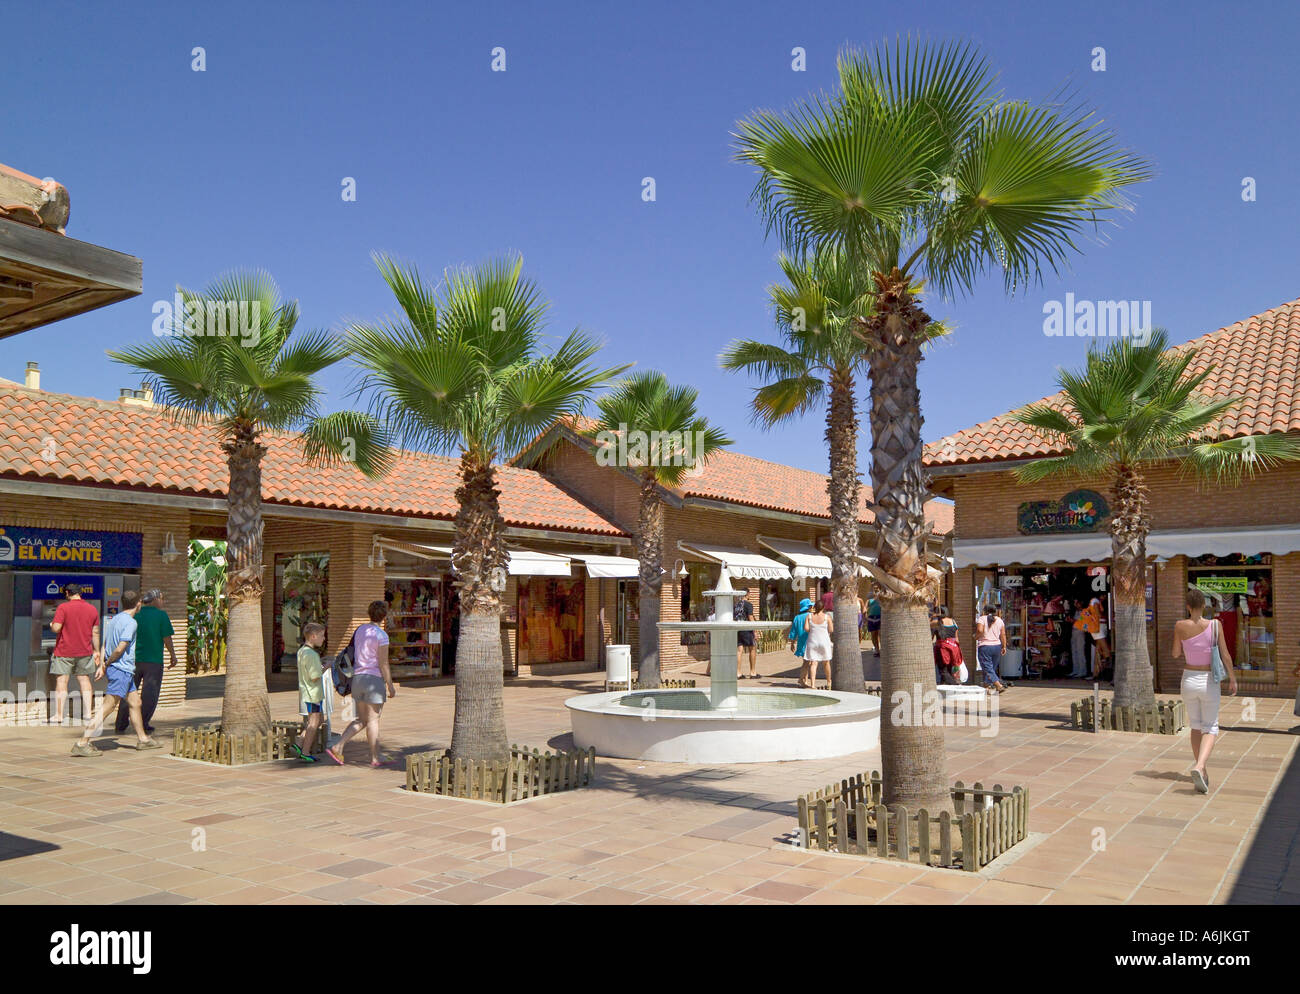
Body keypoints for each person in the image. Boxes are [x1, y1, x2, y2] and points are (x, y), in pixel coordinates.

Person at [70, 590, 160, 754]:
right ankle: (82, 743)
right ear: (138, 603)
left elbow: (105, 644)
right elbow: (120, 648)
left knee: (135, 703)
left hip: (121, 670)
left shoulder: (114, 620)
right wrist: (107, 662)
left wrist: (103, 666)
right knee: (108, 707)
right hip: (121, 670)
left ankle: (143, 739)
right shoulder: (131, 623)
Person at [1174, 587, 1237, 794]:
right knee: (1210, 727)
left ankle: (1202, 769)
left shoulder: (1179, 625)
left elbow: (1175, 654)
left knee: (1195, 726)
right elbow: (1226, 655)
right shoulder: (1215, 625)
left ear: (1188, 606)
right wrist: (1233, 679)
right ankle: (1199, 766)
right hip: (1209, 680)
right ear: (1204, 606)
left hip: (1188, 679)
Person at [327, 600, 396, 767]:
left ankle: (338, 745)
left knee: (361, 719)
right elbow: (383, 663)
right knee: (373, 720)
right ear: (384, 616)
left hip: (358, 678)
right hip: (373, 680)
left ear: (369, 613)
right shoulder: (382, 635)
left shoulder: (360, 630)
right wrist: (390, 685)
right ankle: (375, 757)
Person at [115, 589, 177, 735]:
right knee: (150, 694)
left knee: (128, 692)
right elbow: (167, 638)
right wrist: (173, 655)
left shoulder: (135, 614)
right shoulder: (161, 615)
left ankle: (121, 724)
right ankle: (142, 723)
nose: (163, 601)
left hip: (132, 661)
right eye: (162, 598)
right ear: (155, 599)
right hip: (153, 661)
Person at [49, 583, 101, 725]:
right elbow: (95, 632)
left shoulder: (63, 607)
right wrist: (96, 651)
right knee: (84, 681)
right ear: (80, 593)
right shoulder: (92, 609)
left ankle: (59, 715)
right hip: (85, 651)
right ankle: (88, 714)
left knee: (62, 681)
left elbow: (56, 628)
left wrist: (51, 625)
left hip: (64, 651)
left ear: (67, 593)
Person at [292, 622, 328, 762]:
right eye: (321, 636)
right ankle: (305, 752)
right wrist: (326, 667)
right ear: (313, 636)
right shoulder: (312, 654)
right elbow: (315, 676)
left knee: (320, 720)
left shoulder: (302, 651)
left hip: (307, 692)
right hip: (313, 694)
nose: (323, 639)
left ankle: (299, 743)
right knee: (314, 722)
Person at [975, 606, 1007, 694]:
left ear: (985, 611)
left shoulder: (982, 619)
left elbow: (979, 630)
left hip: (985, 646)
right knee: (991, 668)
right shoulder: (1000, 620)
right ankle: (987, 687)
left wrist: (975, 637)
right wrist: (1004, 646)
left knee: (987, 667)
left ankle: (998, 685)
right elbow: (1003, 634)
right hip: (997, 646)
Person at [804, 600, 834, 689]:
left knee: (813, 663)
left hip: (812, 641)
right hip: (824, 641)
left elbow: (806, 628)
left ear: (815, 607)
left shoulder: (809, 616)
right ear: (823, 607)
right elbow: (831, 630)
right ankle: (829, 682)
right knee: (826, 662)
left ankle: (813, 684)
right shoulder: (827, 617)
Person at [933, 615, 966, 684]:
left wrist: (933, 617)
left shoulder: (936, 622)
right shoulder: (953, 622)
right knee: (949, 669)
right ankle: (944, 686)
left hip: (942, 649)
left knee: (943, 670)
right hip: (954, 649)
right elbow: (957, 639)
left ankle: (954, 684)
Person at [788, 597, 813, 687]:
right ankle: (802, 679)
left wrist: (792, 643)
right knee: (807, 662)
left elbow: (793, 632)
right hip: (809, 641)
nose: (812, 608)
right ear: (808, 607)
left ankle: (805, 680)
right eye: (810, 606)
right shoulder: (810, 616)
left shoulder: (797, 618)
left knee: (806, 661)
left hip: (801, 642)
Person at [735, 591, 758, 679]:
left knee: (739, 650)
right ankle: (753, 672)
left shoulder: (736, 605)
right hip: (747, 629)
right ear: (747, 594)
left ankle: (738, 672)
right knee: (752, 648)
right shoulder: (748, 604)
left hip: (737, 629)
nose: (750, 595)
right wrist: (755, 631)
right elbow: (750, 617)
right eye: (749, 594)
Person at [1069, 598, 1089, 679]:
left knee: (1080, 651)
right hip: (1074, 631)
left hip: (1080, 632)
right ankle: (1075, 670)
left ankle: (1082, 671)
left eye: (1077, 603)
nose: (1075, 605)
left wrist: (1074, 621)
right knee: (1074, 651)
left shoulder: (1085, 612)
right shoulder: (1076, 612)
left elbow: (1084, 622)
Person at [866, 590, 882, 657]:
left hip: (880, 617)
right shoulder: (869, 600)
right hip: (871, 618)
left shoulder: (881, 599)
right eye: (874, 590)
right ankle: (877, 649)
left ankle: (882, 649)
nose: (876, 591)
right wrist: (865, 617)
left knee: (880, 634)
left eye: (877, 590)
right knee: (873, 635)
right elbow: (865, 608)